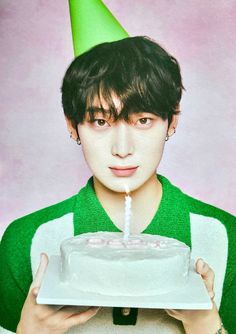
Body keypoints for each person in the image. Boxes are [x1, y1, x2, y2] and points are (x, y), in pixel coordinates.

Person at [0, 36, 235, 334]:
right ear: (72, 125)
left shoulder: (227, 237)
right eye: (100, 122)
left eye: (143, 120)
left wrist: (207, 327)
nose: (122, 149)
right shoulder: (26, 240)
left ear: (172, 120)